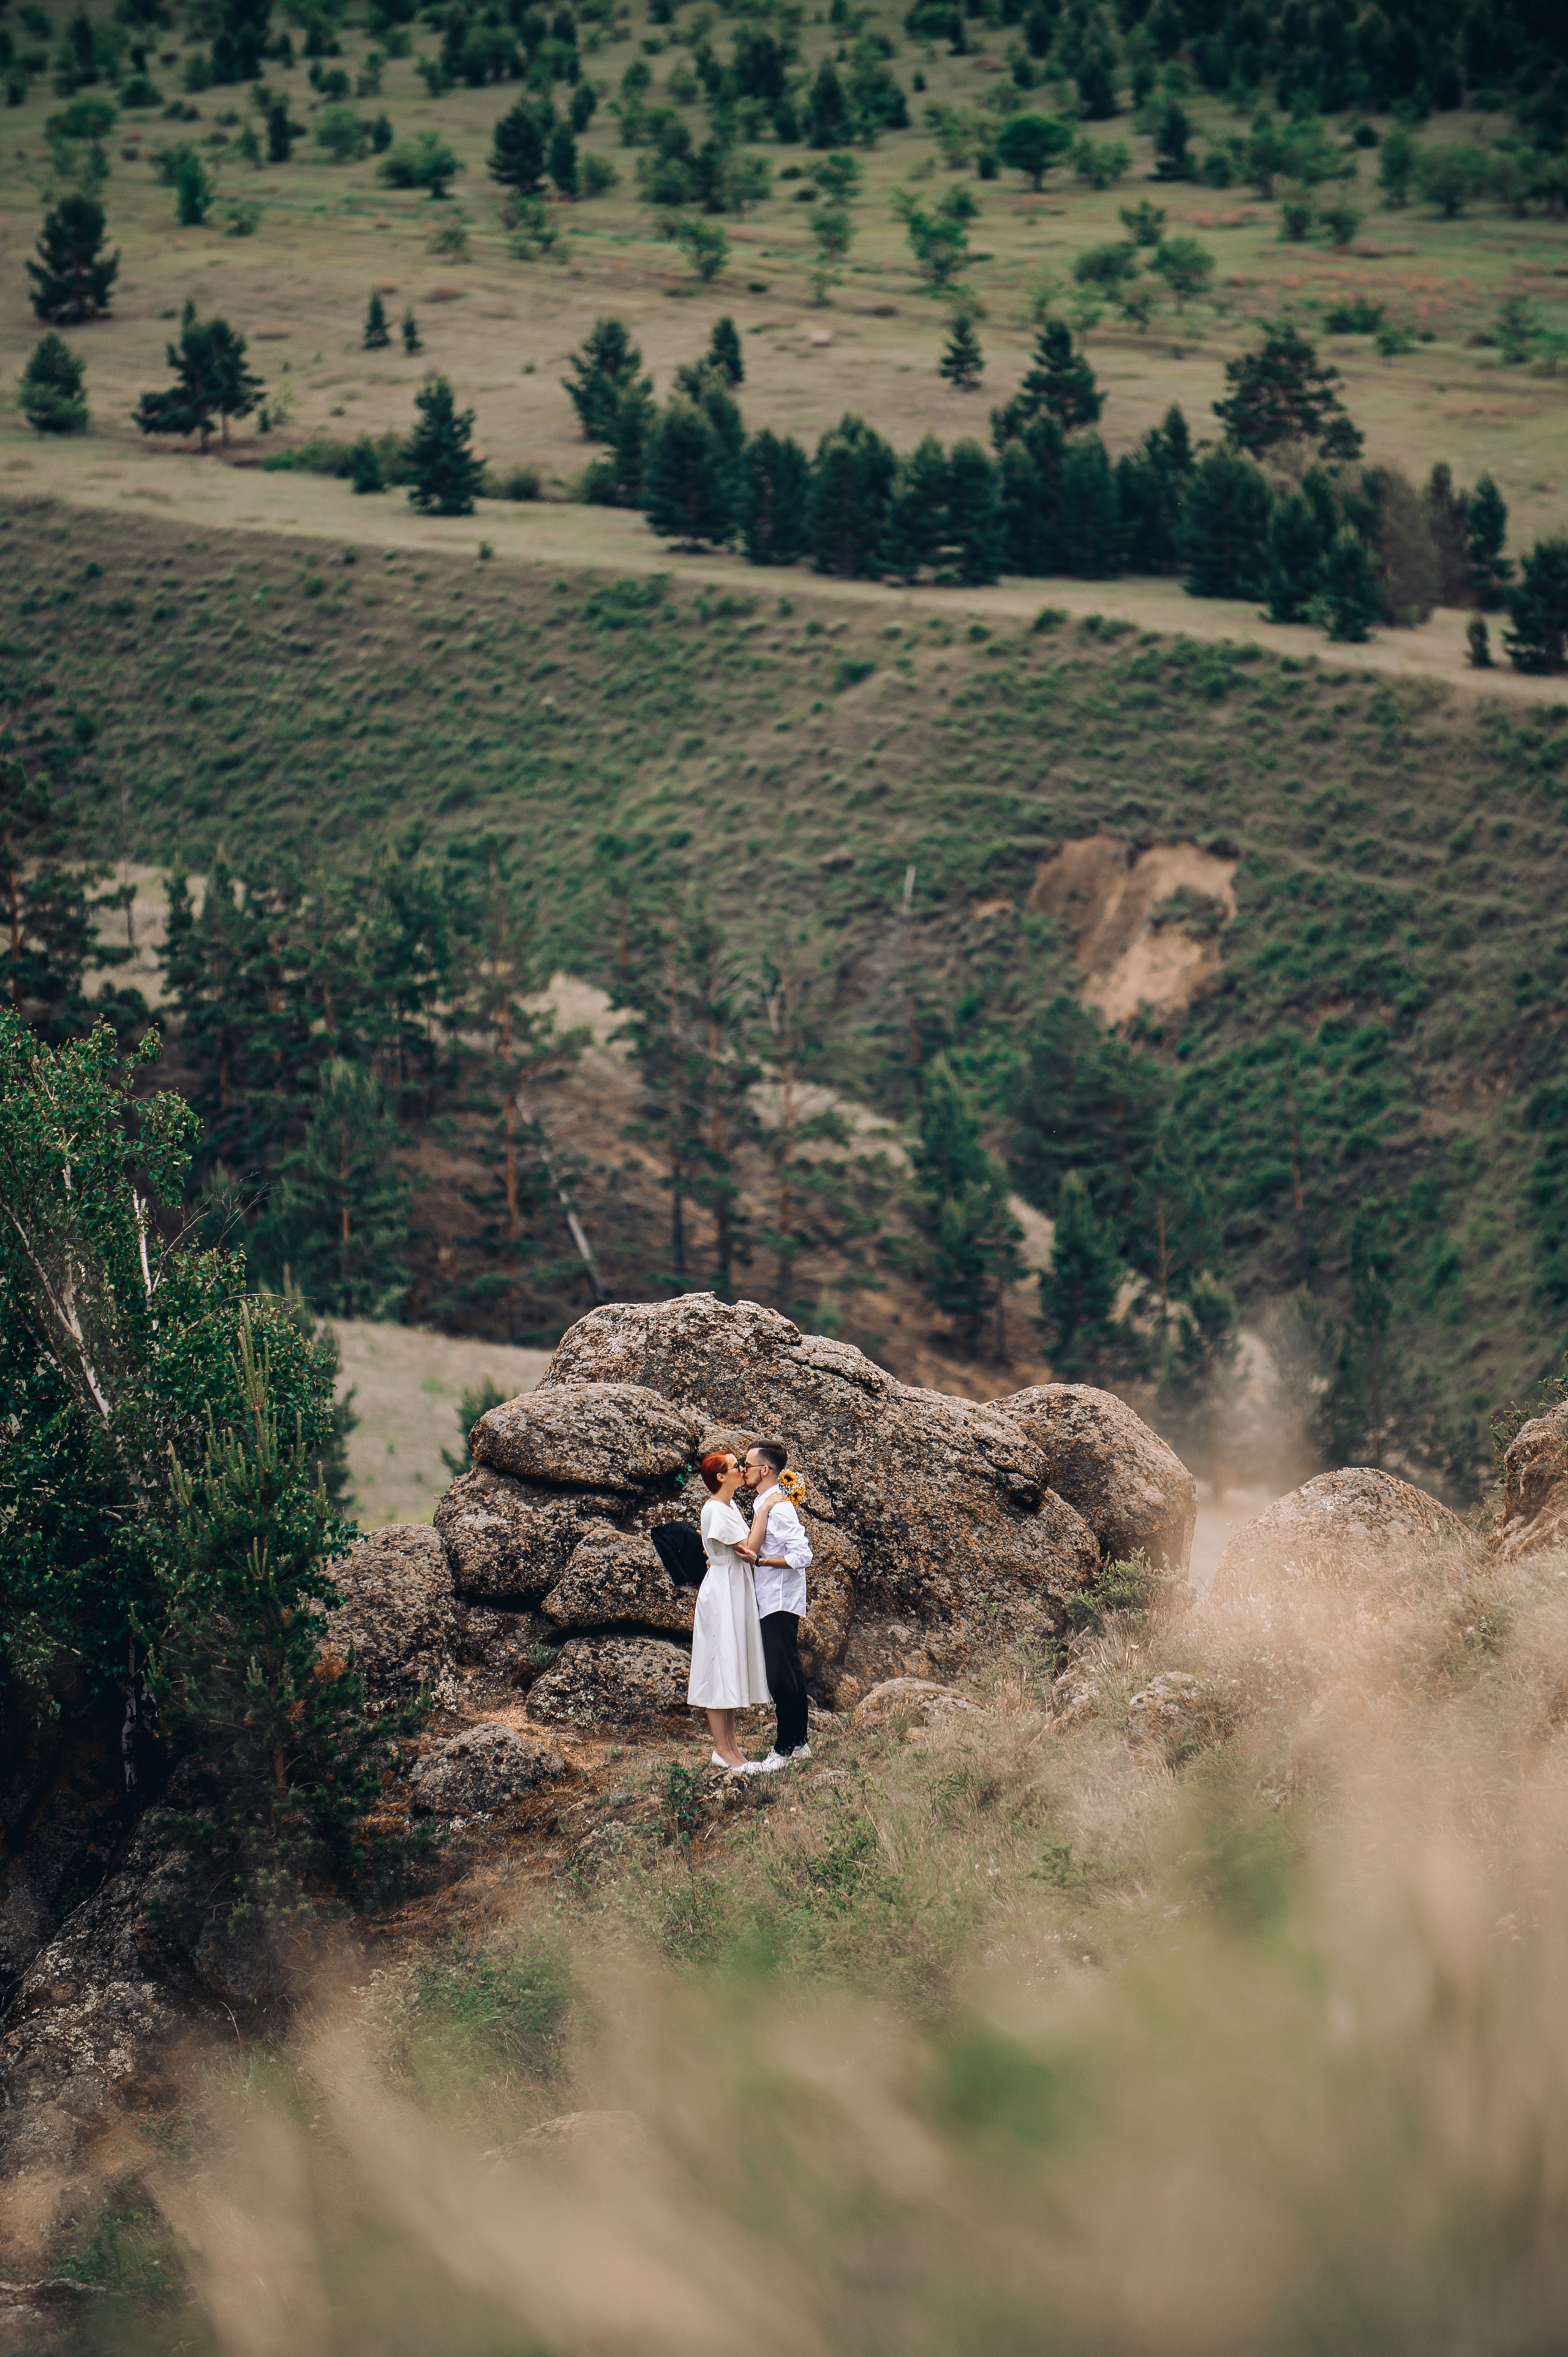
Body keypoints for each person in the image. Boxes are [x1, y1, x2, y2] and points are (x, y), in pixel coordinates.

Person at [688, 1450, 771, 1773]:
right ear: (721, 1477)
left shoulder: (729, 1505)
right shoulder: (716, 1510)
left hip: (733, 1585)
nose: (742, 1469)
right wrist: (766, 1508)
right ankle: (722, 1751)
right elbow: (750, 1546)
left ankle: (733, 1751)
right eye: (737, 1466)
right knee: (718, 1667)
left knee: (730, 1667)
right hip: (723, 1589)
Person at [738, 1441, 813, 1769]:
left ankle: (783, 1750)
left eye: (748, 1465)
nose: (744, 1470)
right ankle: (798, 1744)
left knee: (780, 1675)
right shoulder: (765, 1503)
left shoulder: (778, 1507)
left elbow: (802, 1555)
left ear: (764, 1470)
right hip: (777, 1598)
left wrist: (762, 1560)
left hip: (778, 1600)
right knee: (792, 1670)